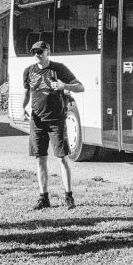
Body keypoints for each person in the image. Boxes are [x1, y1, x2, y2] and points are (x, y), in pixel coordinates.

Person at [21, 40, 84, 210]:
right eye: (34, 52)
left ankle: (68, 196)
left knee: (62, 159)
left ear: (48, 52)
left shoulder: (58, 68)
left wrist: (64, 85)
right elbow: (27, 92)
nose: (37, 55)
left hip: (56, 120)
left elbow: (81, 87)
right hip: (37, 121)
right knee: (40, 159)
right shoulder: (28, 71)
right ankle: (43, 198)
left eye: (40, 51)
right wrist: (22, 107)